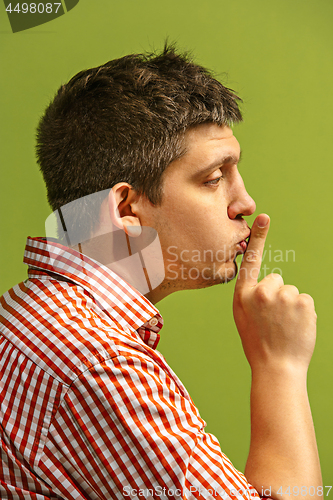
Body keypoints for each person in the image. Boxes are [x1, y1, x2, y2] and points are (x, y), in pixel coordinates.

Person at [0, 45, 322, 499]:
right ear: (127, 208)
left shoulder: (30, 313)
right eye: (213, 179)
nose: (245, 203)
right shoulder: (100, 366)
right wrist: (280, 366)